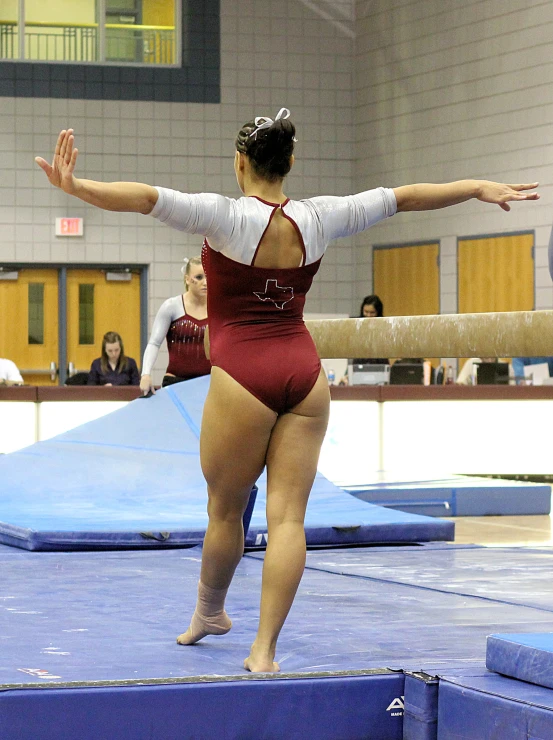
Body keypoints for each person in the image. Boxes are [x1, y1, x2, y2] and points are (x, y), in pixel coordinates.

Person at [35, 116, 539, 673]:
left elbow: (145, 199)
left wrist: (78, 189)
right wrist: (475, 188)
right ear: (290, 164)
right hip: (304, 372)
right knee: (288, 522)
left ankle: (209, 611)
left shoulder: (222, 216)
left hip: (244, 373)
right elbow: (403, 198)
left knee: (225, 512)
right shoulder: (320, 215)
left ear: (240, 163)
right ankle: (264, 650)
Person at [140, 256, 209, 396]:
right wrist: (145, 374)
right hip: (176, 382)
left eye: (208, 276)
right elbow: (154, 342)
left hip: (209, 383)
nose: (205, 282)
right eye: (199, 277)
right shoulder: (172, 306)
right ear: (187, 279)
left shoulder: (219, 308)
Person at [353, 294, 388, 365]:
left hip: (379, 362)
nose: (368, 316)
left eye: (372, 313)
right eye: (366, 312)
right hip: (359, 362)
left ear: (378, 312)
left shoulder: (383, 326)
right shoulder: (357, 325)